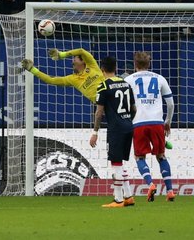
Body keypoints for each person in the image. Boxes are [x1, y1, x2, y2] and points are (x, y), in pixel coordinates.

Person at [124, 52, 176, 202]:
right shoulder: (159, 78)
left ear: (135, 64)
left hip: (138, 123)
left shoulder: (128, 80)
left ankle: (151, 184)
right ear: (149, 64)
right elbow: (171, 104)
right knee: (161, 156)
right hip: (157, 123)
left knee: (139, 157)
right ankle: (170, 191)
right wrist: (167, 122)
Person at [91, 56, 135, 208]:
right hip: (129, 126)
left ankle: (118, 199)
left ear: (102, 69)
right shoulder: (126, 84)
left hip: (116, 128)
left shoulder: (103, 86)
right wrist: (128, 120)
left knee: (115, 162)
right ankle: (128, 196)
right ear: (115, 68)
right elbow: (134, 109)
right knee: (120, 162)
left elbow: (99, 112)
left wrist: (95, 132)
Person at [21, 48, 104, 104]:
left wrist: (61, 55)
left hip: (111, 95)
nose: (73, 61)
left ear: (83, 61)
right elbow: (50, 80)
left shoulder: (92, 66)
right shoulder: (71, 79)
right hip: (101, 103)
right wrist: (32, 69)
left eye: (75, 59)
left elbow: (81, 51)